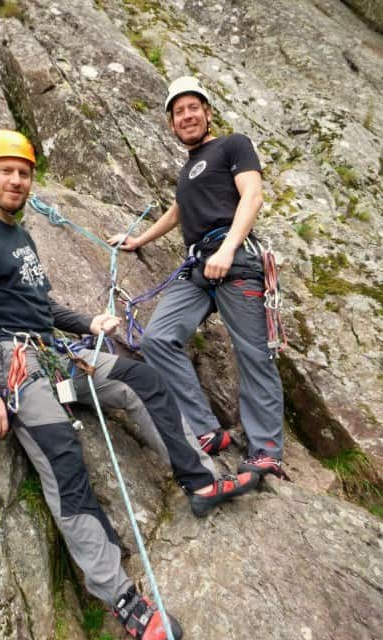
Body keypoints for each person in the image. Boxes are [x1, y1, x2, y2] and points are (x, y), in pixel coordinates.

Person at [0, 129, 259, 640]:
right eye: (6, 171)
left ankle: (198, 480)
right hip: (9, 362)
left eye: (24, 172)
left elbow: (41, 310)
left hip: (51, 349)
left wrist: (89, 323)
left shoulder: (20, 236)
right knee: (63, 455)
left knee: (141, 378)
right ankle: (120, 596)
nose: (16, 180)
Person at [109, 76, 285, 478]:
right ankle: (206, 431)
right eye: (178, 112)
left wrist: (227, 250)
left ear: (207, 112)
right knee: (157, 338)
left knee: (254, 355)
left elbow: (252, 195)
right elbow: (176, 213)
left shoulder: (233, 145)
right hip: (199, 267)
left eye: (192, 108)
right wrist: (137, 240)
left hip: (234, 258)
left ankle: (266, 451)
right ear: (171, 124)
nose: (186, 116)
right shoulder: (188, 170)